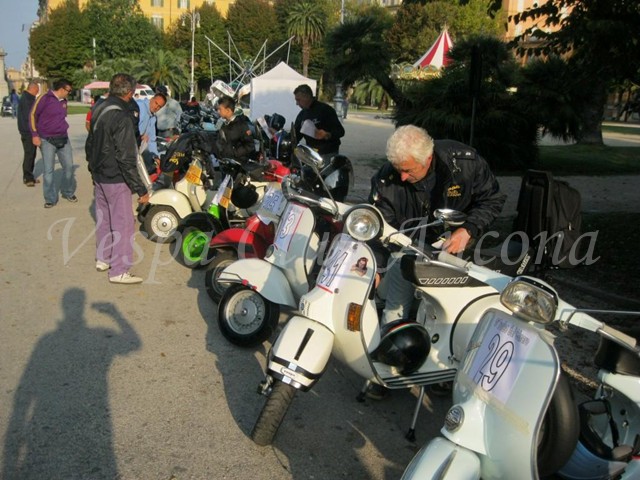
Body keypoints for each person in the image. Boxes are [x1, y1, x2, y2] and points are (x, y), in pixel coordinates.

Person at [371, 125, 506, 325]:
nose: (402, 177)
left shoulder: (465, 163)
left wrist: (468, 229)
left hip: (457, 245)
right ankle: (391, 335)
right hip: (409, 245)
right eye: (398, 169)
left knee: (448, 312)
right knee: (394, 305)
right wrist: (377, 266)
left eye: (408, 170)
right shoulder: (386, 179)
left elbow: (492, 199)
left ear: (427, 159)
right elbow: (381, 226)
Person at [86, 73, 150, 284]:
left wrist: (92, 170)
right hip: (115, 176)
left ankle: (103, 258)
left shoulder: (99, 107)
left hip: (100, 174)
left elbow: (90, 143)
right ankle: (119, 270)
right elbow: (126, 157)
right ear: (130, 92)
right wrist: (140, 188)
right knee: (123, 223)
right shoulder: (122, 116)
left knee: (104, 218)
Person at [29, 78, 78, 208]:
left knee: (69, 167)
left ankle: (67, 192)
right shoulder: (44, 98)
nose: (69, 93)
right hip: (47, 140)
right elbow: (33, 115)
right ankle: (50, 198)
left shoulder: (64, 101)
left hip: (63, 138)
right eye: (69, 90)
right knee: (48, 171)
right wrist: (34, 135)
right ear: (61, 89)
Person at [293, 84, 345, 162]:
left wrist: (327, 134)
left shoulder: (325, 110)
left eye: (298, 100)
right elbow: (296, 135)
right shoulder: (302, 115)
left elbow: (340, 131)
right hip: (311, 154)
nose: (297, 103)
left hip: (328, 153)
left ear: (306, 97)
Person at [214, 95, 256, 163]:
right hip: (226, 162)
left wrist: (234, 153)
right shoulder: (223, 123)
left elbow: (250, 145)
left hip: (239, 163)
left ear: (228, 110)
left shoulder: (241, 125)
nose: (218, 111)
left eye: (220, 109)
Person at [17, 81, 40, 186]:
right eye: (37, 89)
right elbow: (30, 116)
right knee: (29, 154)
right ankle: (27, 178)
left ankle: (30, 175)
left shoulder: (29, 98)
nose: (37, 91)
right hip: (28, 131)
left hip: (29, 130)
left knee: (32, 154)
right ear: (32, 88)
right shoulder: (27, 99)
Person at [136, 92, 166, 172]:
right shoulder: (140, 106)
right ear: (151, 99)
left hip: (136, 149)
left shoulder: (153, 118)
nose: (156, 107)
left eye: (159, 106)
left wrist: (156, 156)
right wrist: (139, 136)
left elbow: (151, 139)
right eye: (156, 103)